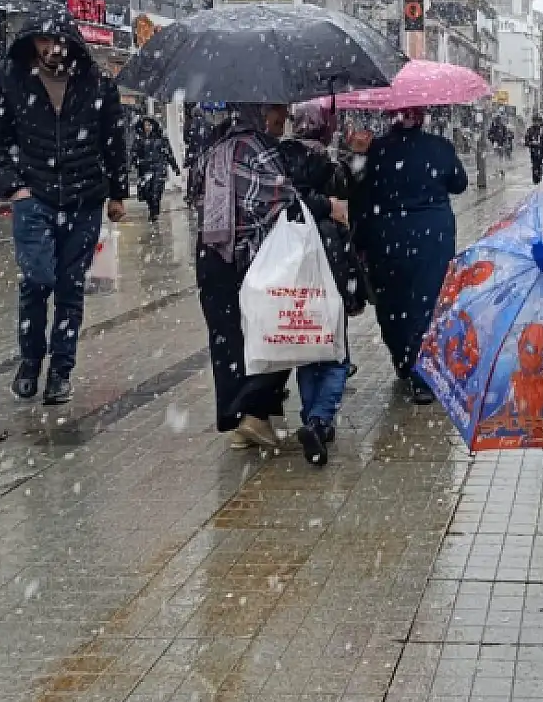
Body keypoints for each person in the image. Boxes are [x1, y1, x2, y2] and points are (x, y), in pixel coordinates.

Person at [0, 5, 128, 406]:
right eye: (44, 40)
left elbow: (114, 138)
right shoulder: (8, 78)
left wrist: (118, 192)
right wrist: (14, 187)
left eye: (59, 40)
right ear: (32, 42)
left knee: (70, 287)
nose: (52, 49)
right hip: (33, 196)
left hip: (84, 198)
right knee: (37, 279)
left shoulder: (96, 81)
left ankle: (60, 372)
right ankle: (30, 362)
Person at [193, 103, 326, 460]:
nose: (283, 116)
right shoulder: (257, 147)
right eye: (277, 109)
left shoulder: (214, 146)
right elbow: (281, 199)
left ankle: (239, 421)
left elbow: (197, 196)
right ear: (259, 111)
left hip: (211, 254)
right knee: (277, 332)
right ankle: (253, 415)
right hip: (251, 259)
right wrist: (321, 202)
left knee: (227, 340)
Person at [354, 107, 468, 404]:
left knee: (392, 302)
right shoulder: (439, 147)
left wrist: (360, 240)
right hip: (432, 238)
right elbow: (459, 183)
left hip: (386, 237)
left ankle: (404, 360)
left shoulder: (376, 151)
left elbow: (360, 195)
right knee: (427, 302)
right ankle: (422, 375)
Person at [277, 102, 361, 467]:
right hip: (328, 262)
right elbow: (345, 212)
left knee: (308, 350)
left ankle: (312, 417)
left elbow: (287, 200)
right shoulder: (328, 165)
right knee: (336, 355)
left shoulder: (279, 158)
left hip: (295, 265)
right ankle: (319, 420)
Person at [131, 117, 181, 223]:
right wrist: (134, 163)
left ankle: (154, 212)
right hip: (145, 169)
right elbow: (134, 153)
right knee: (147, 191)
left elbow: (168, 153)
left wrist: (175, 167)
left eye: (149, 125)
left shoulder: (160, 138)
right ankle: (152, 208)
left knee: (156, 190)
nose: (148, 127)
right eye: (146, 125)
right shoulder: (140, 138)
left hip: (159, 167)